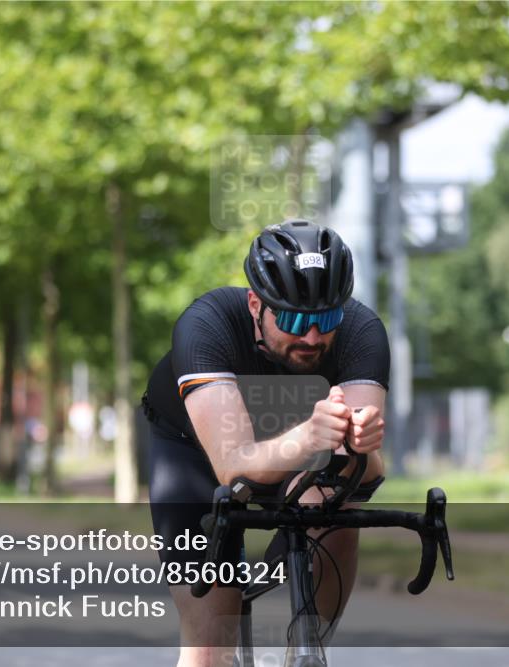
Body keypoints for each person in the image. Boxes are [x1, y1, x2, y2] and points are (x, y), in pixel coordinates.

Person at [143, 220, 389, 667]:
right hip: (196, 452)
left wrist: (360, 447)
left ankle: (306, 650)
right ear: (256, 303)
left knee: (336, 505)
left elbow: (366, 474)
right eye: (294, 320)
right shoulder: (208, 324)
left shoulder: (360, 331)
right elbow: (233, 466)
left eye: (325, 319)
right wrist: (311, 437)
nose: (312, 338)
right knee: (208, 651)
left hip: (297, 447)